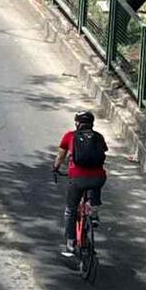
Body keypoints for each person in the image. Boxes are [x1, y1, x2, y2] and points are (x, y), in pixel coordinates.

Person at [52, 110, 108, 257]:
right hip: (98, 177)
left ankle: (70, 243)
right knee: (95, 184)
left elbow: (60, 156)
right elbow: (103, 154)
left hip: (77, 178)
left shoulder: (70, 136)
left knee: (70, 210)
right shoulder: (98, 137)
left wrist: (56, 168)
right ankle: (93, 210)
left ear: (77, 123)